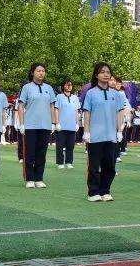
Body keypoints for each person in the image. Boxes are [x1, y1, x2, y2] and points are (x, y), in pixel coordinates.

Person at [81, 62, 127, 201]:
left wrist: (119, 131)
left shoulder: (116, 94)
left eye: (108, 72)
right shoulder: (91, 93)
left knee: (110, 166)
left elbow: (119, 112)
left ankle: (105, 190)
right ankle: (93, 192)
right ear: (96, 75)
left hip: (111, 136)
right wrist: (86, 131)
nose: (106, 74)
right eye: (102, 72)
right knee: (94, 167)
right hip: (95, 136)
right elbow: (87, 113)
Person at [53, 79, 80, 170]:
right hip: (61, 125)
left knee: (70, 145)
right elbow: (56, 109)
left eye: (70, 85)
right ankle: (60, 162)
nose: (69, 86)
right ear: (63, 86)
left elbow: (76, 111)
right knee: (60, 145)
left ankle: (69, 162)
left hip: (72, 125)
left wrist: (77, 123)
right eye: (67, 85)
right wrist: (57, 123)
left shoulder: (75, 98)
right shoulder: (59, 97)